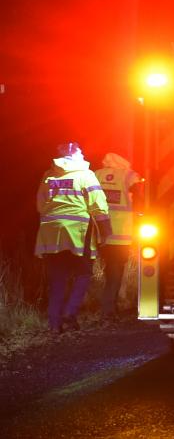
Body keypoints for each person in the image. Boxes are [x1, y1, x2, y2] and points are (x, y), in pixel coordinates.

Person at [35, 142, 111, 333]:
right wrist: (106, 230)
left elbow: (40, 204)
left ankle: (54, 323)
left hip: (50, 231)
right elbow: (98, 205)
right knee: (83, 273)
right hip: (78, 230)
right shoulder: (86, 175)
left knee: (57, 279)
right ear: (79, 156)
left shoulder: (48, 175)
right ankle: (70, 313)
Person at [95, 152, 143, 320]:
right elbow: (139, 195)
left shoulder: (97, 174)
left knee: (110, 269)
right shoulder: (129, 175)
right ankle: (108, 309)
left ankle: (109, 306)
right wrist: (141, 213)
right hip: (121, 232)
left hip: (100, 231)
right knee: (116, 270)